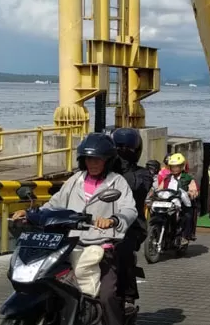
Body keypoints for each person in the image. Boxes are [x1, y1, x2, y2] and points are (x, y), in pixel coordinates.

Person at [11, 133, 138, 325]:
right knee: (45, 282)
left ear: (107, 160)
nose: (92, 163)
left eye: (97, 159)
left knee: (107, 296)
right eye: (89, 158)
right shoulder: (75, 180)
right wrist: (29, 213)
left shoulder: (117, 181)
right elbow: (55, 204)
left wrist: (113, 220)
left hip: (101, 247)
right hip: (69, 245)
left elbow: (129, 209)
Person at [111, 128, 153, 312]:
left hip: (131, 225)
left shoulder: (142, 174)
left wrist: (117, 166)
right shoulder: (103, 169)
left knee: (123, 250)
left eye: (125, 148)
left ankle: (128, 297)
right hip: (98, 222)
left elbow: (136, 187)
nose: (122, 151)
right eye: (118, 147)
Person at [151, 152, 198, 245]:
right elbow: (160, 188)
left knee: (188, 215)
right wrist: (153, 193)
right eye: (172, 166)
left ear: (181, 166)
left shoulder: (188, 178)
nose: (174, 168)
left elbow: (193, 188)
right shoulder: (167, 177)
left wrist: (192, 192)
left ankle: (185, 236)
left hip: (181, 202)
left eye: (176, 166)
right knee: (156, 212)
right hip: (167, 202)